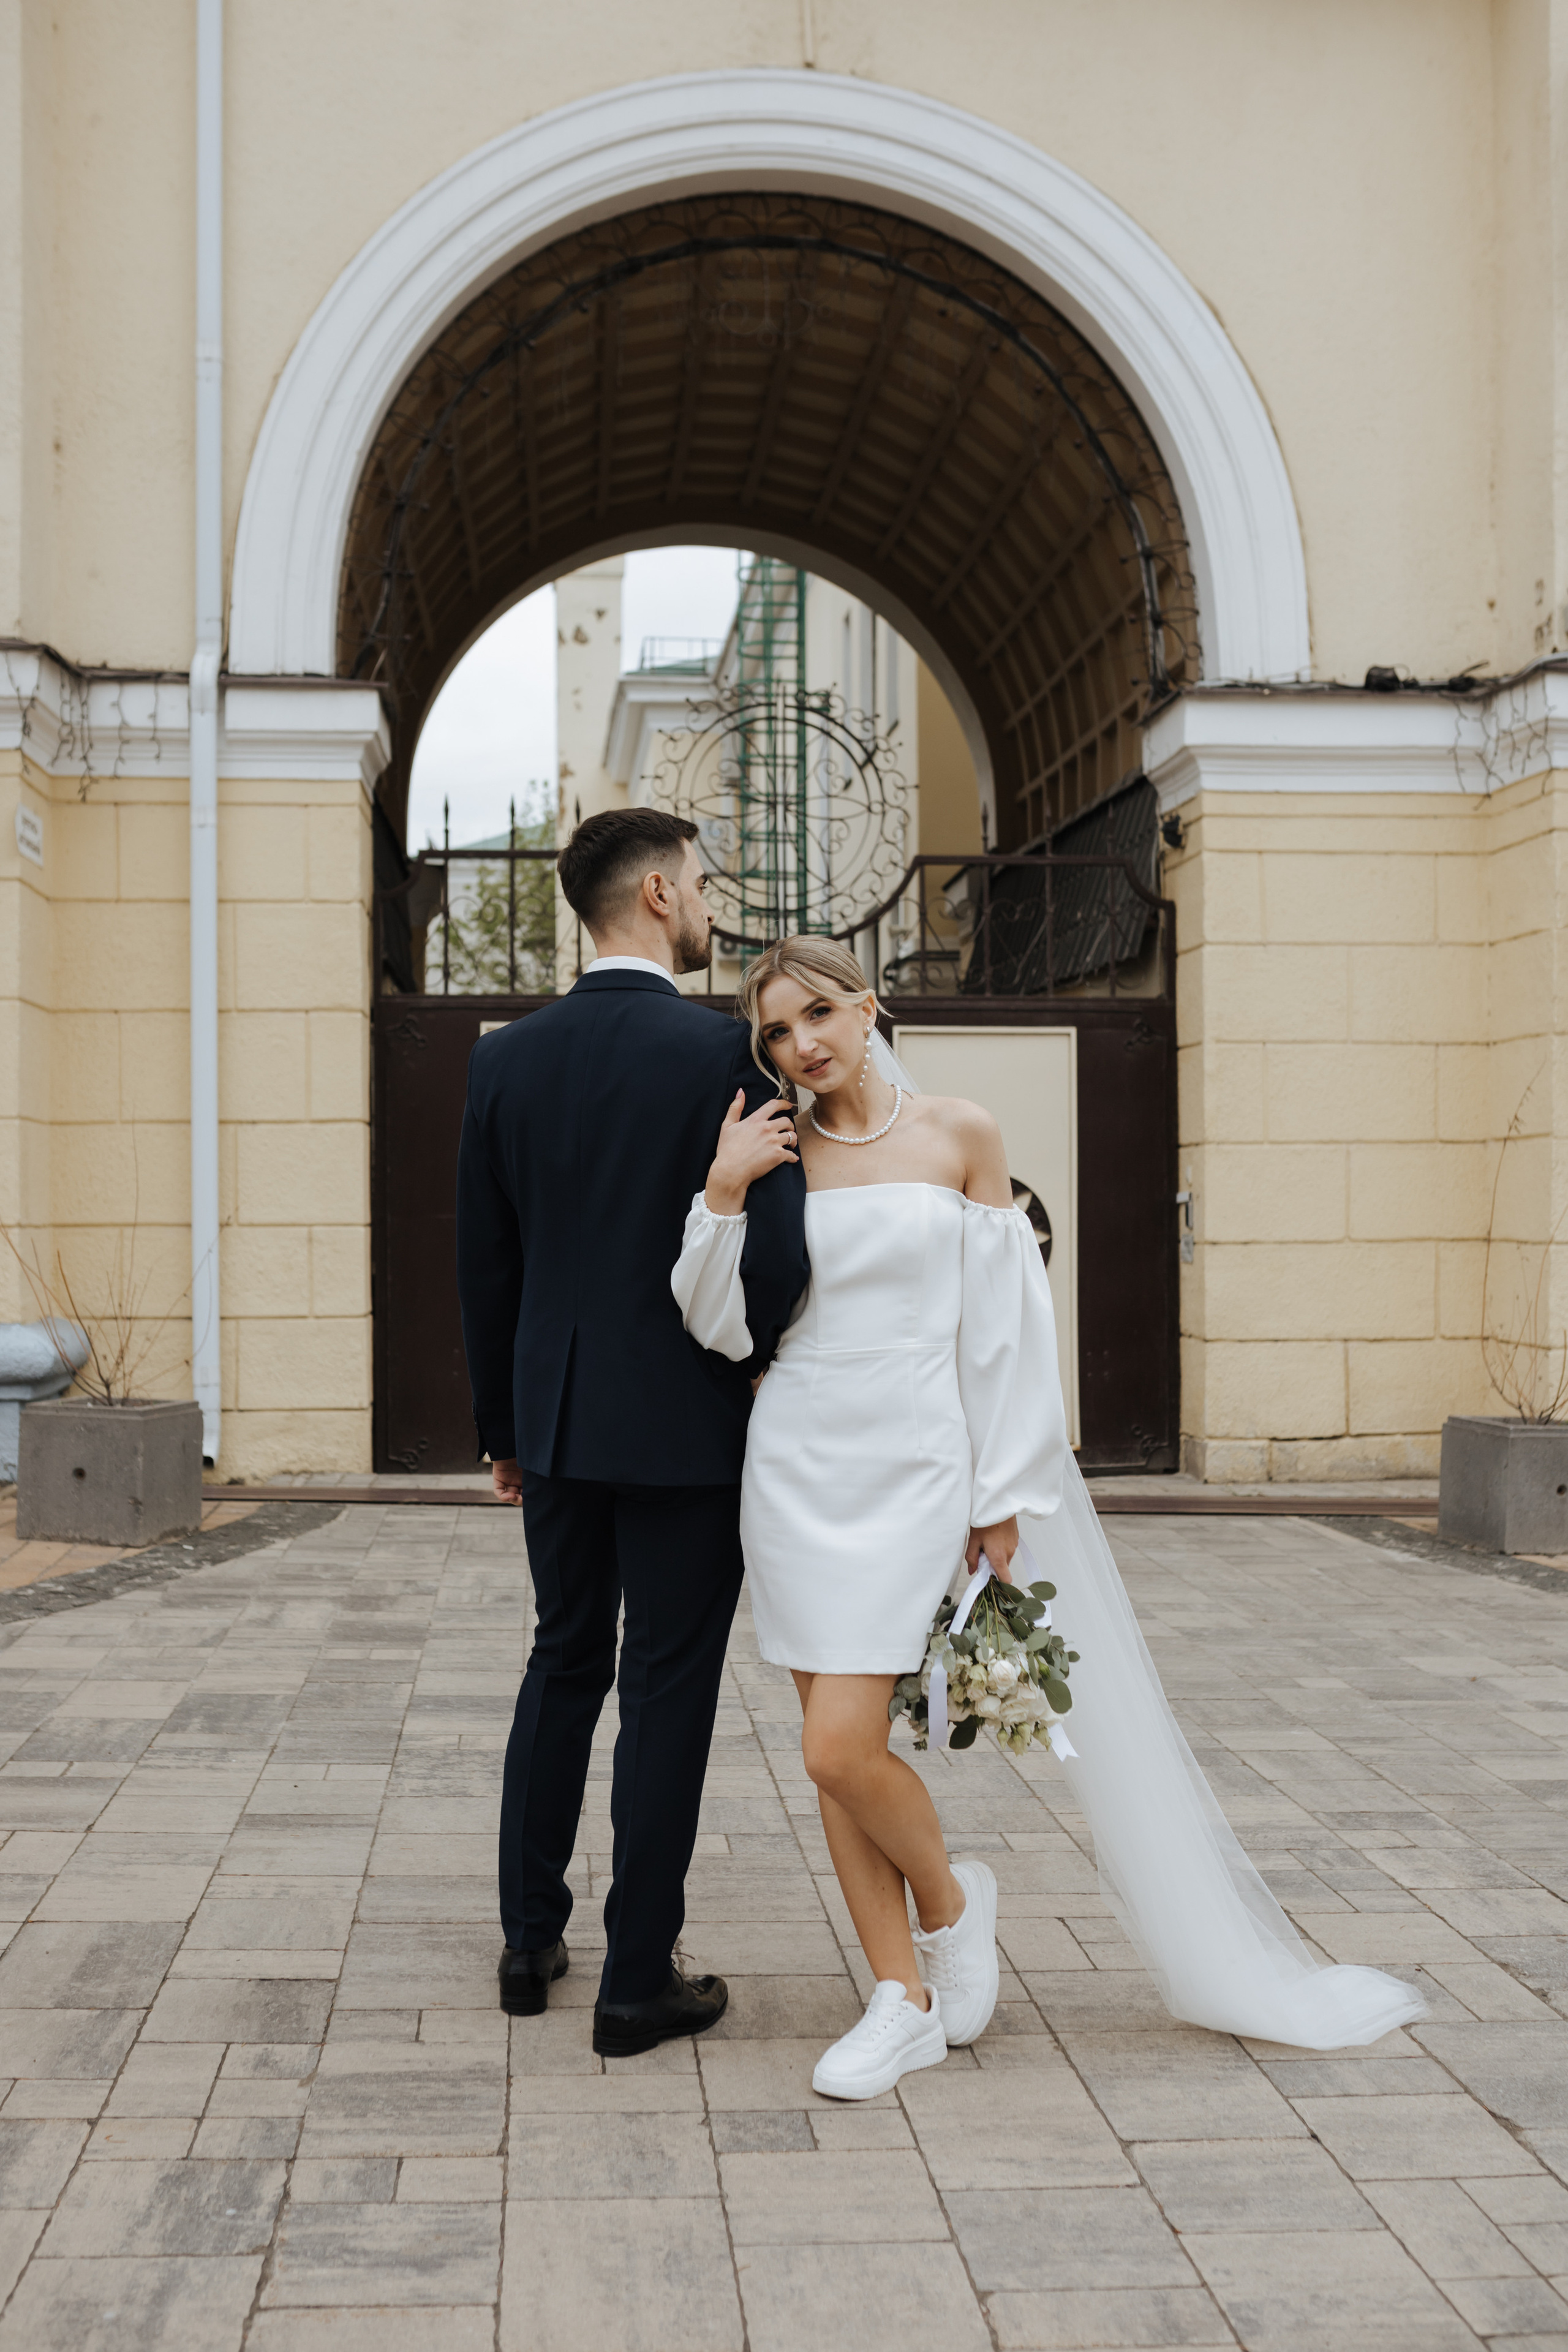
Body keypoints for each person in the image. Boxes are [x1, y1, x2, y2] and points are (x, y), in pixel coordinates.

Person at [672, 935, 1426, 2100]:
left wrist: (1003, 1492)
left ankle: (953, 1908)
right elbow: (724, 1328)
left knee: (839, 1747)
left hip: (918, 1459)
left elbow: (1010, 1330)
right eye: (775, 1032)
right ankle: (902, 1996)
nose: (802, 1046)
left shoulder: (962, 1134)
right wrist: (722, 1195)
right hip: (795, 1462)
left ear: (867, 1006)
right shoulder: (772, 1155)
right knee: (837, 1757)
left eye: (817, 1014)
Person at [456, 809, 807, 2059]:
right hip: (684, 1428)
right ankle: (634, 1981)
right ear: (657, 893)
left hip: (551, 1421)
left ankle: (525, 1939)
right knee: (664, 1688)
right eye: (703, 883)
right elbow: (771, 1269)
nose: (712, 905)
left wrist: (503, 1425)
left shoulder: (504, 1060)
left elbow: (484, 1267)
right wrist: (771, 1375)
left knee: (561, 1659)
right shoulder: (725, 1058)